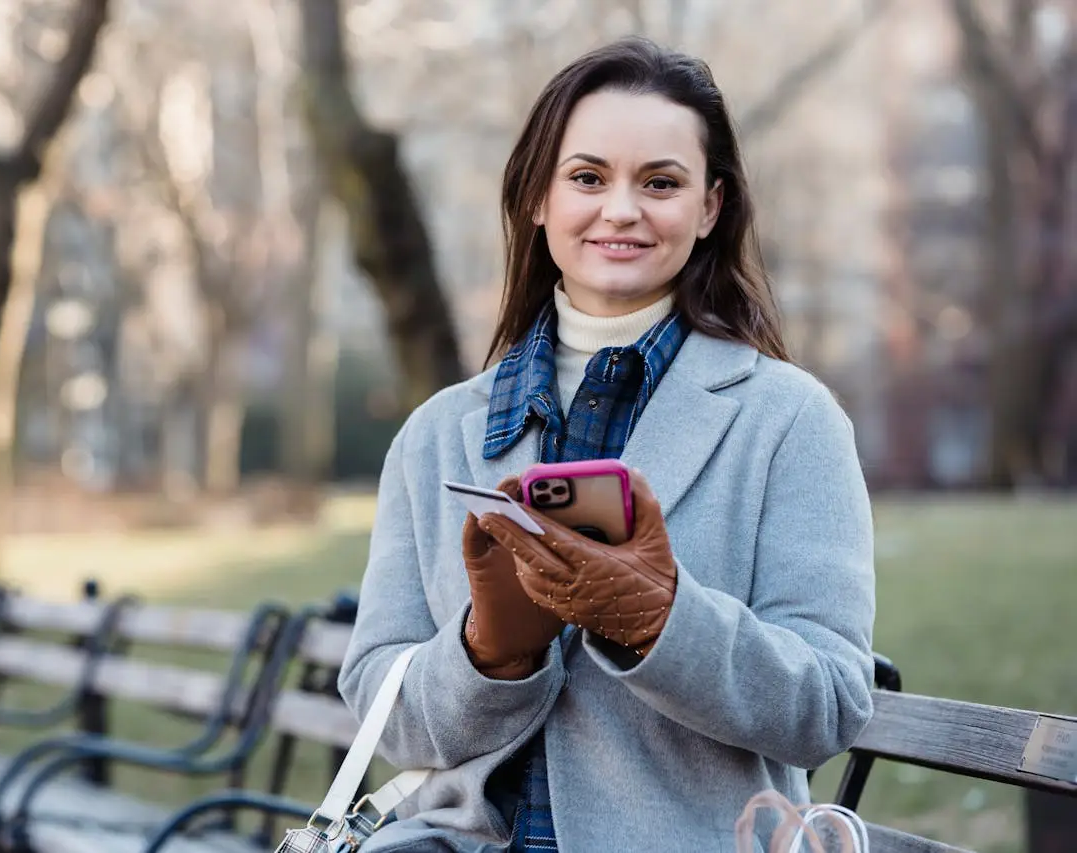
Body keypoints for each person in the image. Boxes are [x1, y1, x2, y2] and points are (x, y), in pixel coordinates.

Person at [338, 36, 876, 852]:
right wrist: (489, 653)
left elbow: (829, 705)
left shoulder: (790, 421)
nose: (621, 209)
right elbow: (385, 705)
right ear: (538, 199)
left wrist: (659, 619)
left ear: (709, 207)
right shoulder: (436, 436)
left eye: (660, 182)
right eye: (587, 177)